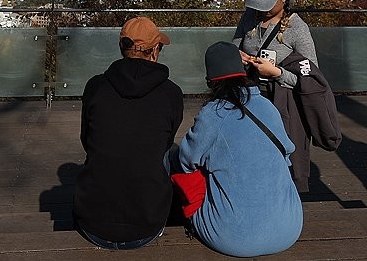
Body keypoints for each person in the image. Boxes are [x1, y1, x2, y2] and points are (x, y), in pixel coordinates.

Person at [176, 42, 303, 257]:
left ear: (210, 81)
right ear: (242, 72)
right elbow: (287, 151)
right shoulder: (268, 106)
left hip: (231, 238)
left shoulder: (213, 114)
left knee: (182, 163)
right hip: (289, 229)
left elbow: (186, 160)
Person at [74, 16, 184, 250]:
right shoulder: (172, 93)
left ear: (121, 47)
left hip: (92, 225)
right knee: (164, 151)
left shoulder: (96, 87)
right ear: (155, 51)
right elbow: (165, 141)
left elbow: (87, 141)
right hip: (147, 226)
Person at [233, 0, 319, 191]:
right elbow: (233, 48)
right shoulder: (249, 18)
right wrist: (238, 58)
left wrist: (278, 74)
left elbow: (313, 78)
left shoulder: (297, 28)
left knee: (281, 162)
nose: (262, 10)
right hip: (251, 100)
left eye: (268, 3)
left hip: (283, 104)